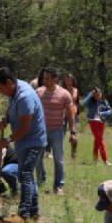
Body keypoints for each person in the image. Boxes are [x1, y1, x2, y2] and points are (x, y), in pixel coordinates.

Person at [0, 67, 46, 221]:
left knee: (25, 176)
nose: (0, 91)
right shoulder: (15, 91)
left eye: (1, 88)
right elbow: (12, 110)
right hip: (23, 141)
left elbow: (25, 127)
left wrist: (8, 140)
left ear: (9, 82)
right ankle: (34, 212)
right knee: (27, 176)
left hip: (33, 141)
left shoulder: (25, 96)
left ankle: (24, 214)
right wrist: (7, 120)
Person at [36, 67, 74, 196]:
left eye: (47, 78)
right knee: (37, 158)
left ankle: (58, 186)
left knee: (58, 159)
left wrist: (73, 132)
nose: (44, 80)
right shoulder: (38, 92)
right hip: (40, 131)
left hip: (57, 131)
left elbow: (70, 114)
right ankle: (41, 180)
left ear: (55, 79)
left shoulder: (64, 94)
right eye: (43, 78)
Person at [82, 86, 112, 166]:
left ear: (101, 94)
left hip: (102, 122)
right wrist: (90, 94)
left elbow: (110, 111)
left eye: (99, 94)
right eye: (96, 95)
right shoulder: (91, 102)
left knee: (97, 141)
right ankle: (105, 160)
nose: (98, 96)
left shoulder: (104, 102)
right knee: (100, 140)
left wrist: (103, 113)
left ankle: (94, 160)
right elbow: (84, 103)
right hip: (93, 122)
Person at [63, 72, 80, 160]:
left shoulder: (76, 90)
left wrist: (77, 112)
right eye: (66, 79)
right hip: (63, 115)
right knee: (61, 135)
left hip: (73, 115)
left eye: (70, 79)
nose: (68, 80)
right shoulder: (62, 90)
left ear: (73, 80)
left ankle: (73, 154)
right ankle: (58, 153)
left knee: (74, 136)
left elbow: (76, 102)